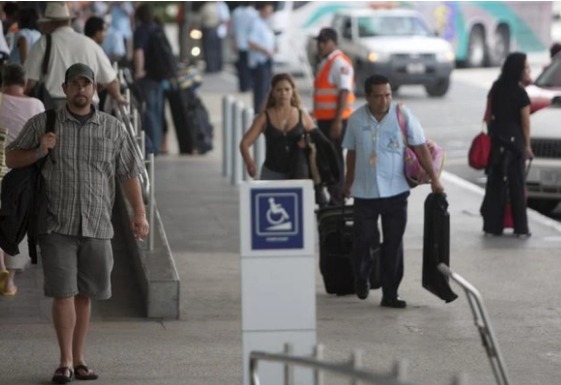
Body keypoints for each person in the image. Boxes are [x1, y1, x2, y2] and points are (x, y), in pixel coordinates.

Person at [5, 63, 148, 383]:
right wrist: (40, 150)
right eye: (75, 84)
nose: (81, 90)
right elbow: (11, 157)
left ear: (94, 88)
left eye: (87, 84)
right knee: (63, 292)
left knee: (85, 294)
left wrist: (139, 213)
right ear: (65, 88)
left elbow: (128, 174)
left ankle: (80, 359)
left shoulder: (112, 128)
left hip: (97, 224)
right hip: (56, 224)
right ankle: (65, 362)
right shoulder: (44, 122)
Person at [342, 74, 444, 308]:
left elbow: (420, 147)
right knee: (364, 240)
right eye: (378, 96)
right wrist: (348, 183)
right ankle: (361, 276)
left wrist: (435, 178)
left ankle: (390, 293)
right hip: (365, 193)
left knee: (393, 244)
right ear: (367, 97)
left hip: (396, 192)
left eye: (387, 95)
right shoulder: (356, 120)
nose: (384, 101)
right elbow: (352, 153)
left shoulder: (403, 116)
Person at [23, 2, 126, 109]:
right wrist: (118, 97)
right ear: (69, 21)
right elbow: (111, 81)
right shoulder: (90, 44)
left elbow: (29, 81)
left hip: (53, 107)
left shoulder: (43, 43)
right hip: (87, 109)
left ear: (50, 23)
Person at [0, 63, 45, 296]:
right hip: (23, 169)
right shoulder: (36, 105)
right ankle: (10, 281)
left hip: (0, 166)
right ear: (25, 81)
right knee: (18, 220)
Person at [480, 52, 533, 237]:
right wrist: (527, 146)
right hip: (515, 145)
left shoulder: (496, 87)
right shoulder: (520, 93)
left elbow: (488, 116)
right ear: (518, 69)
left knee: (495, 185)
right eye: (526, 67)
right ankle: (521, 227)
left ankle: (492, 226)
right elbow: (525, 123)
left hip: (497, 143)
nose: (528, 70)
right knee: (517, 186)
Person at [240, 73, 315, 180]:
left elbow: (318, 139)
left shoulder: (302, 116)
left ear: (292, 91)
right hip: (271, 173)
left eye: (287, 89)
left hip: (298, 173)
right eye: (279, 90)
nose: (283, 93)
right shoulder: (265, 117)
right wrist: (249, 163)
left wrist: (307, 143)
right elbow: (245, 143)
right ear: (273, 93)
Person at [313, 27, 355, 206]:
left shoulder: (339, 63)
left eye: (325, 41)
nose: (321, 45)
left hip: (335, 121)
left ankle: (337, 198)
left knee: (334, 159)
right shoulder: (328, 62)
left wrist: (337, 121)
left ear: (334, 42)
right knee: (327, 158)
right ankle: (334, 195)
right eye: (319, 41)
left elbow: (344, 91)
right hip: (326, 120)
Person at [247, 2, 275, 114]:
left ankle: (264, 109)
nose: (269, 14)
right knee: (260, 88)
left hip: (267, 59)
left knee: (267, 87)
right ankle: (259, 111)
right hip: (259, 60)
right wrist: (264, 50)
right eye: (267, 11)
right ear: (262, 10)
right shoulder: (256, 23)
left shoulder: (266, 23)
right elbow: (251, 42)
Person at [231, 2, 257, 92]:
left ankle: (243, 85)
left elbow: (233, 29)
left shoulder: (236, 12)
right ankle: (250, 84)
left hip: (240, 43)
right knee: (251, 66)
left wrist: (234, 42)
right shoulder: (253, 13)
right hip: (250, 44)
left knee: (242, 66)